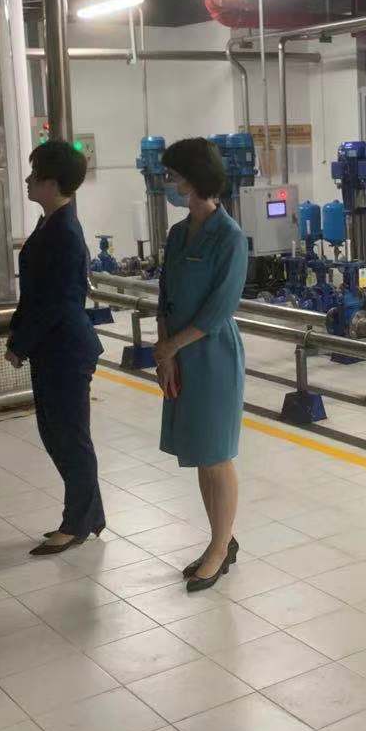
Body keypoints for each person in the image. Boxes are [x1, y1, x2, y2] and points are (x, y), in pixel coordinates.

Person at [154, 138, 248, 592]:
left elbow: (218, 309)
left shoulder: (228, 237)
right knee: (199, 455)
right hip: (178, 353)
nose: (168, 184)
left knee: (216, 456)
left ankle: (220, 547)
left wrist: (172, 347)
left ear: (193, 179)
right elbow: (165, 295)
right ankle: (219, 539)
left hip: (212, 356)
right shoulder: (177, 234)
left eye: (173, 176)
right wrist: (164, 350)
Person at [5, 141, 105, 556]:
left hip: (65, 349)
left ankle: (77, 523)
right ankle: (89, 514)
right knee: (57, 434)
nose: (28, 181)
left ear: (52, 182)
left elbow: (57, 303)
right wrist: (18, 336)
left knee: (68, 438)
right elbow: (35, 294)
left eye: (35, 175)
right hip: (52, 347)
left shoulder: (64, 232)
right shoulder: (50, 223)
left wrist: (21, 343)